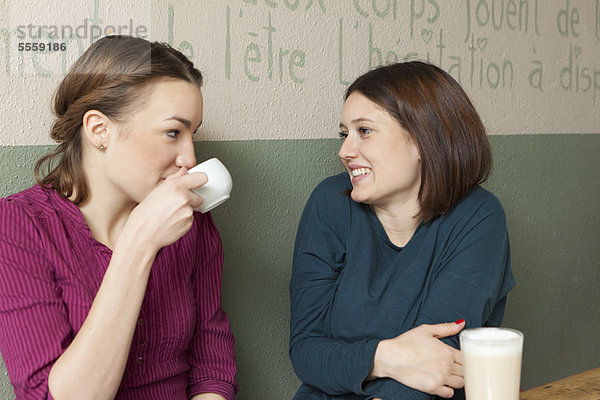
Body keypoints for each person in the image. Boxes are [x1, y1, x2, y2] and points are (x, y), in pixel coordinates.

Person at [0, 35, 237, 400]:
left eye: (193, 133)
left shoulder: (191, 219)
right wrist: (139, 243)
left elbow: (212, 368)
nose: (189, 158)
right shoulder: (19, 226)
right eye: (173, 132)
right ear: (100, 131)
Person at [289, 61, 514, 400]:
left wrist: (361, 362)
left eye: (364, 131)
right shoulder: (329, 203)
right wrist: (386, 357)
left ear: (424, 139)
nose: (345, 151)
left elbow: (438, 361)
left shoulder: (478, 217)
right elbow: (306, 352)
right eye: (344, 133)